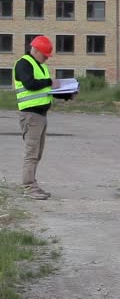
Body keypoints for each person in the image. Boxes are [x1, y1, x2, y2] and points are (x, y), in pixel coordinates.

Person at [12, 35, 60, 200]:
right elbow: (30, 84)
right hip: (30, 115)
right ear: (36, 50)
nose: (47, 58)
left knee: (37, 153)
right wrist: (49, 82)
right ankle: (29, 187)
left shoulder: (40, 67)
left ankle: (32, 183)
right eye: (45, 55)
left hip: (40, 115)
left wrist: (67, 93)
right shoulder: (23, 63)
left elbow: (45, 90)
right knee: (31, 152)